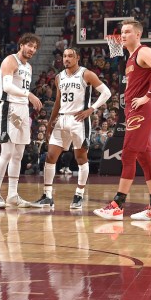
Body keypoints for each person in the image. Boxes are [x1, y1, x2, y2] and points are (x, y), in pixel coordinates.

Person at [94, 19, 151, 221]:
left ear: (138, 34)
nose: (123, 35)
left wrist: (148, 95)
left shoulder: (143, 51)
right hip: (134, 111)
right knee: (144, 158)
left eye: (128, 31)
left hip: (142, 110)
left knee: (127, 154)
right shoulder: (129, 58)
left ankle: (117, 204)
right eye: (122, 32)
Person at [32, 48, 111, 209]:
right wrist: (50, 123)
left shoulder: (86, 74)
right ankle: (47, 195)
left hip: (78, 120)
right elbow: (58, 102)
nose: (66, 59)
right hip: (61, 119)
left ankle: (79, 195)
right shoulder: (58, 77)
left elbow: (106, 93)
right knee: (50, 156)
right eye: (65, 56)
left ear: (78, 58)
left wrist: (92, 109)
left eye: (70, 56)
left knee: (81, 158)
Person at [0, 33, 43, 209]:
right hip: (9, 108)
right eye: (30, 45)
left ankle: (12, 195)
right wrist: (30, 94)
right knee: (7, 153)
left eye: (35, 47)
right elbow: (7, 87)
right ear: (21, 45)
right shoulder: (10, 61)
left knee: (18, 154)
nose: (32, 49)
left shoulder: (29, 67)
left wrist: (27, 99)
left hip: (22, 109)